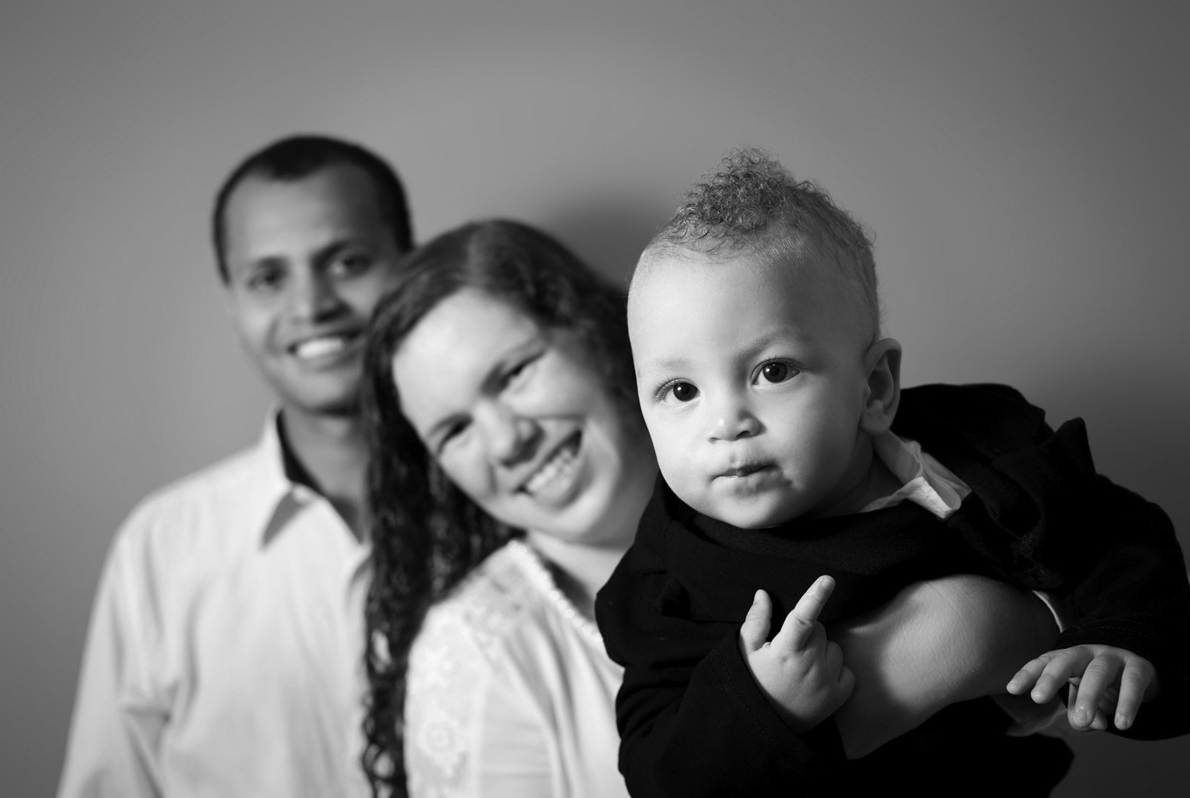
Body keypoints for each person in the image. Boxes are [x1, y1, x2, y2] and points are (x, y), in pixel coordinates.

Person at [359, 219, 1068, 798]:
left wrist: (1013, 624)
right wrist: (955, 634)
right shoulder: (482, 649)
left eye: (515, 373)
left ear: (597, 335)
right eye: (452, 430)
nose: (507, 439)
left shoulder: (856, 479)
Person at [597, 148, 1190, 796]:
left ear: (874, 387)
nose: (725, 422)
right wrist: (760, 702)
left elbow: (1116, 540)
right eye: (681, 391)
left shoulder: (973, 458)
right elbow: (657, 771)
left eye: (772, 372)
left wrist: (1124, 641)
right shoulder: (668, 571)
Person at [57, 134, 414, 797]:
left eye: (348, 261)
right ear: (234, 308)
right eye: (268, 278)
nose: (311, 307)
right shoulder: (161, 548)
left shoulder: (518, 503)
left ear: (409, 269)